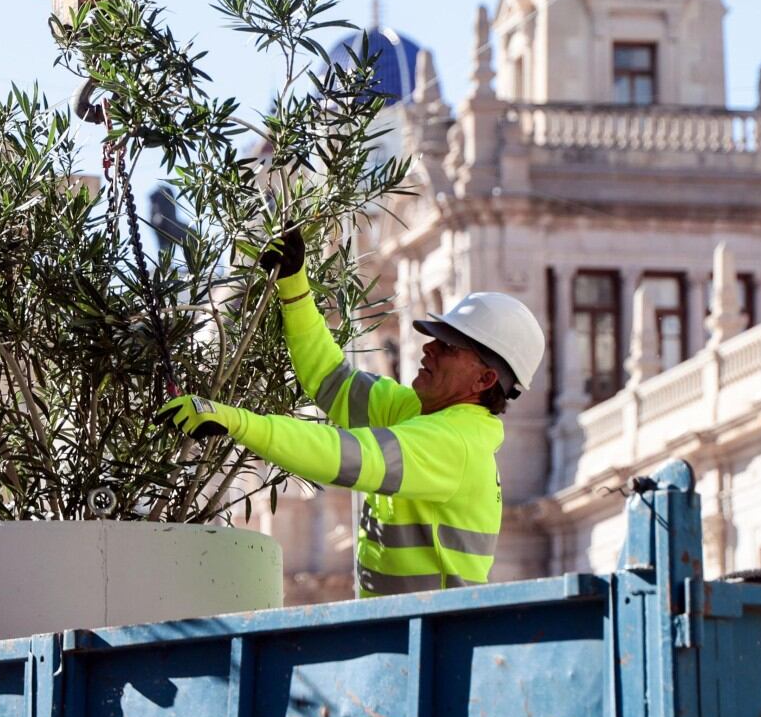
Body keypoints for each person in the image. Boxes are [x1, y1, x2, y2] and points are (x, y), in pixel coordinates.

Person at [159, 228, 544, 597]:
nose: (429, 349)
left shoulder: (454, 443)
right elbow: (330, 379)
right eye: (435, 339)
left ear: (484, 379)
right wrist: (294, 287)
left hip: (434, 644)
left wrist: (238, 422)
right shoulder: (414, 411)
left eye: (448, 347)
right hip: (408, 636)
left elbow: (339, 454)